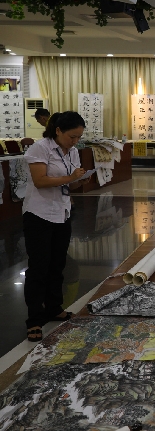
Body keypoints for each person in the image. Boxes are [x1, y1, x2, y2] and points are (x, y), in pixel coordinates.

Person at [23, 111, 91, 341]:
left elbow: (69, 186)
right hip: (39, 214)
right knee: (38, 267)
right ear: (58, 130)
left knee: (57, 264)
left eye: (79, 137)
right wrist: (71, 178)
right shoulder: (40, 148)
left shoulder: (73, 152)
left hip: (62, 213)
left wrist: (80, 180)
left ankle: (54, 308)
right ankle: (34, 319)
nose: (75, 142)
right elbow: (40, 181)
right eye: (72, 137)